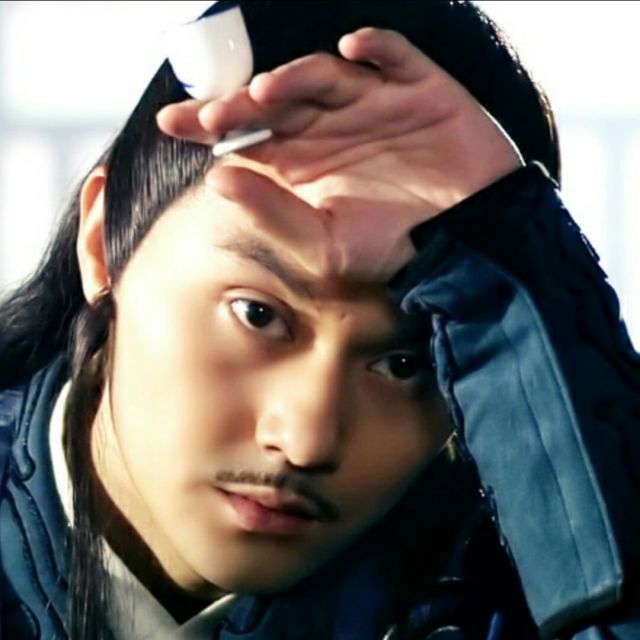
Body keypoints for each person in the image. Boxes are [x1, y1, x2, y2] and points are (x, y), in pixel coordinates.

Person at [0, 1, 638, 638]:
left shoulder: (506, 591)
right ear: (102, 241)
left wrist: (516, 262)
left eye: (404, 364)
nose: (306, 440)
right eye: (258, 315)